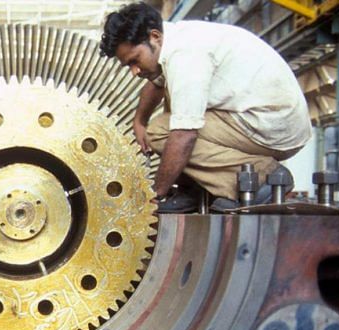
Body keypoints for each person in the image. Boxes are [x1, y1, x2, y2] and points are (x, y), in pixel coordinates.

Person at [99, 2, 312, 212]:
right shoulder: (174, 41)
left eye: (135, 60)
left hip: (274, 125)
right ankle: (193, 187)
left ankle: (263, 176)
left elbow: (184, 136)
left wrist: (155, 194)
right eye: (128, 65)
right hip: (267, 119)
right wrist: (139, 121)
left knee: (161, 133)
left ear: (154, 36)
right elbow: (155, 85)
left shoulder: (185, 55)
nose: (134, 71)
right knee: (170, 109)